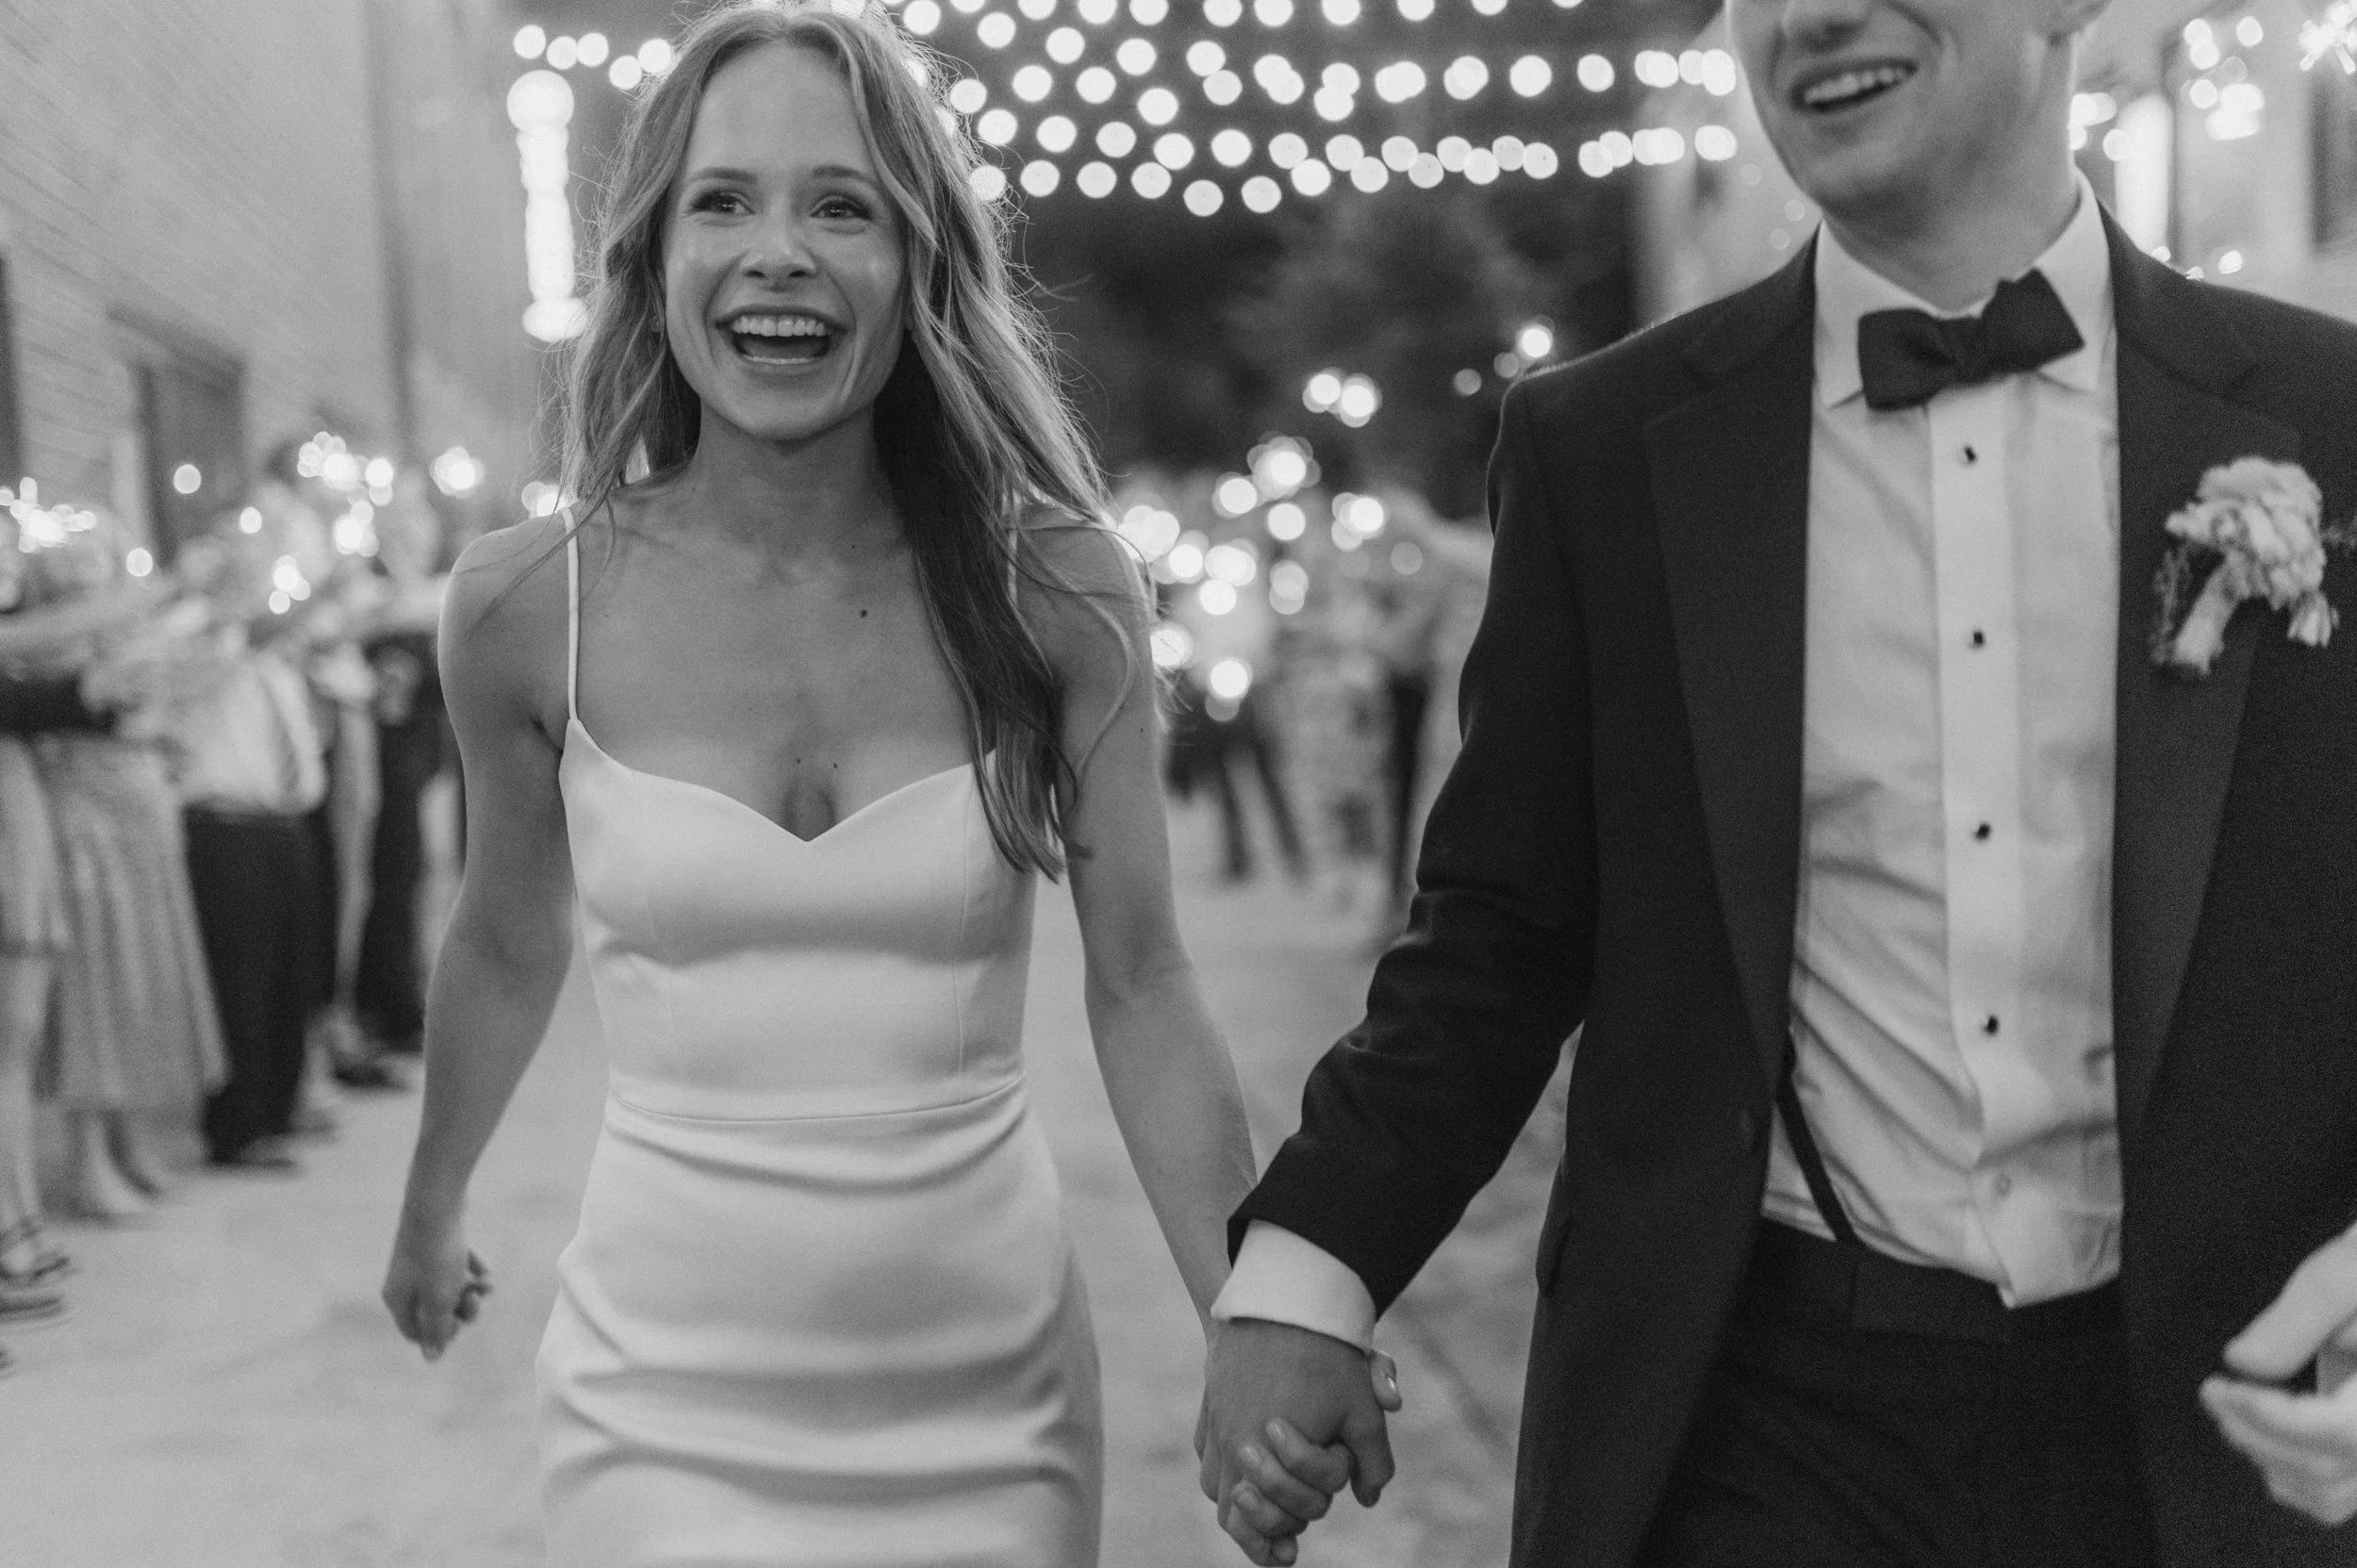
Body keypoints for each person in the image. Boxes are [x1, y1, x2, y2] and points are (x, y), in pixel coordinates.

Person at [1197, 0, 2357, 1564]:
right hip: (1763, 1421)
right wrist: (1305, 1271)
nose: (1809, 16)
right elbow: (1501, 933)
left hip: (2221, 1431)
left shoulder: (2329, 421)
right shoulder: (1606, 448)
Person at [379, 7, 1295, 1563]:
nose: (779, 253)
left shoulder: (1060, 588)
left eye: (842, 205)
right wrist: (429, 1203)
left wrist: (1251, 1316)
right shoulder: (528, 602)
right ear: (651, 255)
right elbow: (506, 938)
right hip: (658, 1402)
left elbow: (1142, 980)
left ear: (920, 261)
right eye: (724, 200)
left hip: (990, 1402)